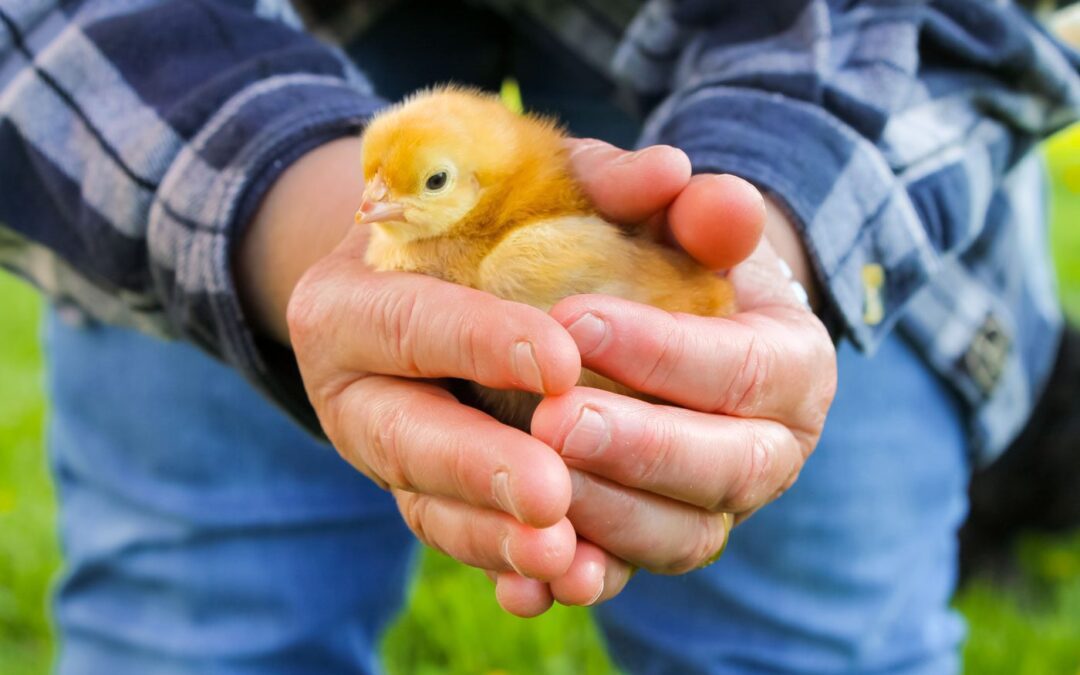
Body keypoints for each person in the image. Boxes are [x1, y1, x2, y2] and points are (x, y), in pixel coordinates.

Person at [0, 0, 1077, 673]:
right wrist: (279, 207)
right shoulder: (419, 205)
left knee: (800, 634)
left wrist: (777, 201)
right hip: (194, 62)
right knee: (205, 617)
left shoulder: (527, 252)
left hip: (805, 51)